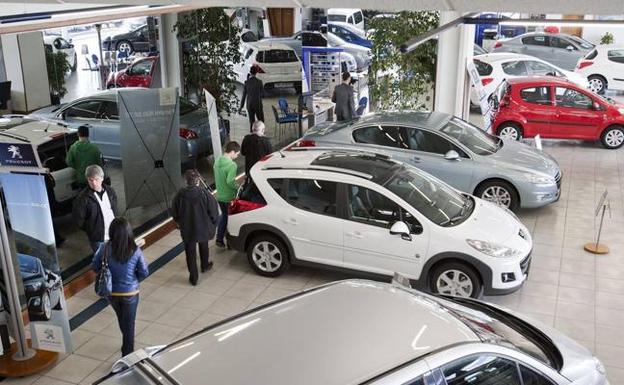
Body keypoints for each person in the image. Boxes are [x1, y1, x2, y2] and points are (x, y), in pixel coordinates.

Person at [92, 217, 148, 357]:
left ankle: (126, 344)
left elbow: (94, 266)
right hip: (130, 293)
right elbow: (144, 272)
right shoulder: (135, 250)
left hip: (111, 292)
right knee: (129, 323)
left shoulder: (104, 248)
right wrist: (134, 280)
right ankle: (127, 355)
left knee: (122, 318)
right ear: (129, 232)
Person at [171, 169, 219, 285]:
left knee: (190, 253)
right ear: (197, 181)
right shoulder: (204, 194)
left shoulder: (179, 195)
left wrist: (179, 222)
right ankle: (205, 265)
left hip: (187, 229)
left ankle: (194, 277)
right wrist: (214, 223)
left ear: (186, 181)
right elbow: (213, 211)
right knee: (204, 246)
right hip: (203, 227)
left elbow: (175, 213)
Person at [73, 165, 118, 253]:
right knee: (102, 262)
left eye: (96, 179)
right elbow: (78, 220)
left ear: (102, 178)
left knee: (116, 258)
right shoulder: (82, 198)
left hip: (114, 233)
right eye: (90, 180)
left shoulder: (110, 191)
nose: (94, 183)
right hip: (97, 239)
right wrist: (92, 229)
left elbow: (114, 208)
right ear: (87, 180)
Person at [213, 141, 241, 248]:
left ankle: (219, 239)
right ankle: (230, 243)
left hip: (220, 196)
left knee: (224, 217)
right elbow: (230, 182)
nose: (237, 156)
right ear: (232, 152)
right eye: (237, 154)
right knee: (230, 219)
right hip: (229, 197)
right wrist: (239, 187)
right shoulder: (232, 165)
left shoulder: (217, 161)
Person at [238, 66, 264, 132]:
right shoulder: (259, 82)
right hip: (258, 104)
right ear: (256, 72)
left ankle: (252, 134)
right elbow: (262, 94)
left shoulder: (246, 82)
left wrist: (241, 107)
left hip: (249, 105)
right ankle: (261, 133)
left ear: (250, 72)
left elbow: (244, 96)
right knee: (261, 120)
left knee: (252, 121)